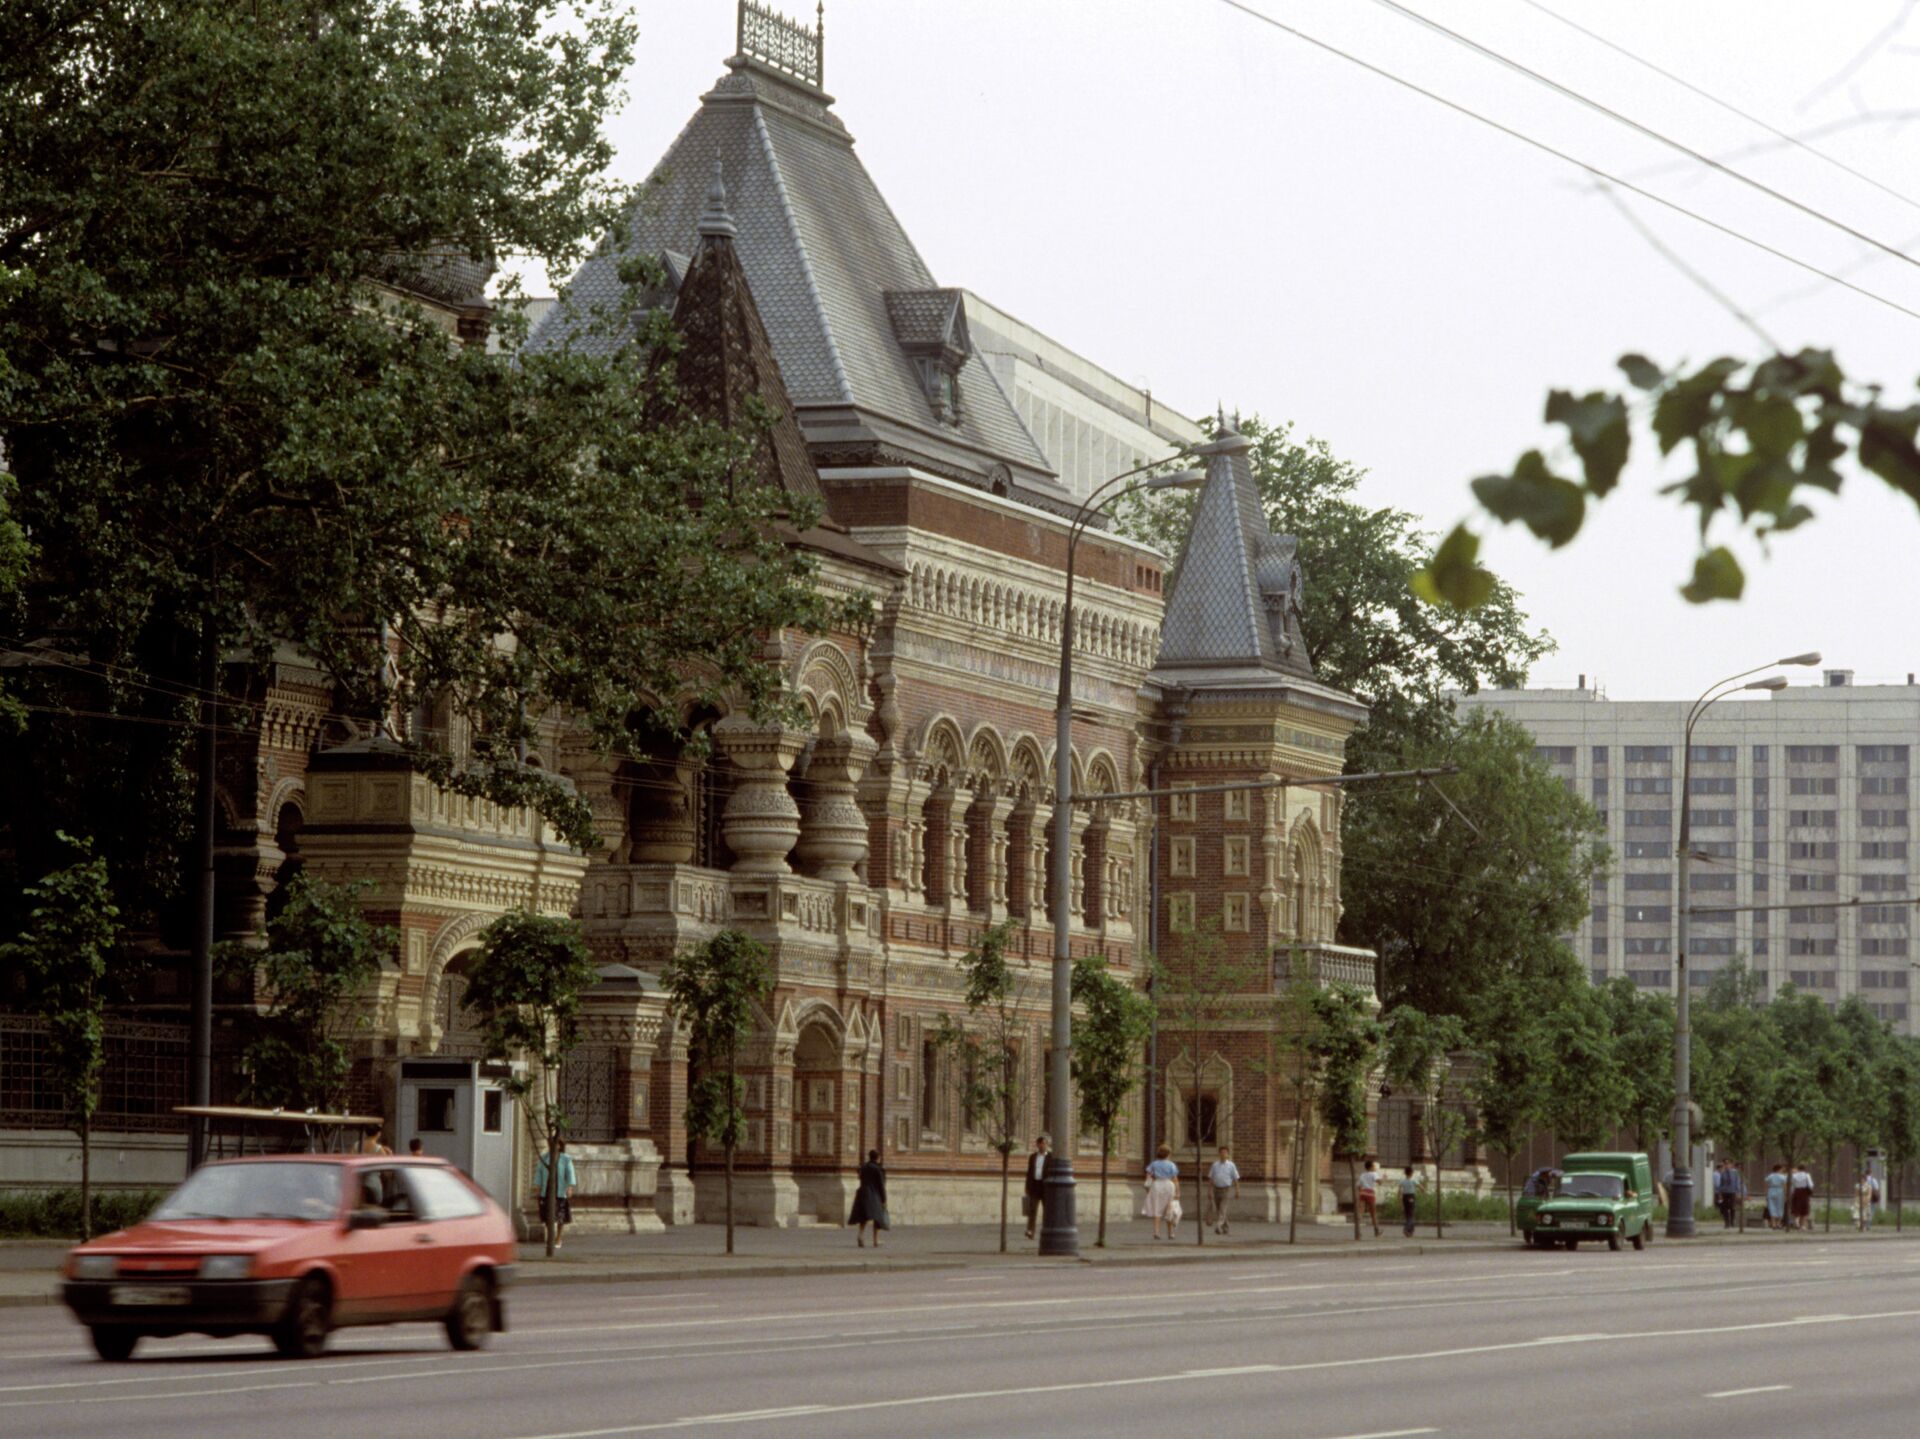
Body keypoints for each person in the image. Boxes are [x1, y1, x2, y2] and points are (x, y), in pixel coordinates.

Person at [534, 1139, 577, 1250]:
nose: (552, 1146)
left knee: (560, 1215)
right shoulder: (544, 1158)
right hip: (547, 1189)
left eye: (555, 1144)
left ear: (559, 1146)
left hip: (560, 1190)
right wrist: (537, 1186)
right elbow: (539, 1172)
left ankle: (558, 1237)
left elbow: (570, 1173)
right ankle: (550, 1237)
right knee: (548, 1215)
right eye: (550, 1144)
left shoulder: (566, 1159)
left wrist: (570, 1187)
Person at [849, 1149, 889, 1248]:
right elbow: (881, 1185)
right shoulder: (877, 1169)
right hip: (874, 1194)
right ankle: (875, 1240)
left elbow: (859, 1176)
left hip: (862, 1193)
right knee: (877, 1217)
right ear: (878, 1158)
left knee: (864, 1216)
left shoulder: (864, 1167)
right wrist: (884, 1199)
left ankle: (860, 1235)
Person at [1144, 1144, 1180, 1240]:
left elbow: (1148, 1175)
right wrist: (1178, 1192)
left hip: (1157, 1185)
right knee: (1169, 1209)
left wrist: (1147, 1187)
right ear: (1168, 1154)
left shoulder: (1154, 1164)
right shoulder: (1171, 1165)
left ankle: (1156, 1232)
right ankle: (1171, 1233)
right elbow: (1175, 1179)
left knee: (1157, 1208)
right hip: (1169, 1185)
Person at [1023, 1134, 1051, 1241]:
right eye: (1041, 1144)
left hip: (1045, 1187)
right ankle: (1030, 1231)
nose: (1043, 1146)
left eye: (1045, 1144)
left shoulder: (1050, 1157)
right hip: (1034, 1186)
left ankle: (1046, 1231)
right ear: (1037, 1145)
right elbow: (1029, 1172)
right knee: (1032, 1210)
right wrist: (1027, 1186)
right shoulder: (1033, 1157)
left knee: (1046, 1210)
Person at [1208, 1146, 1240, 1235]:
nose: (1223, 1154)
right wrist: (1210, 1190)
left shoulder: (1231, 1165)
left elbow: (1235, 1178)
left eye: (1225, 1153)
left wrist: (1237, 1190)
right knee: (1219, 1209)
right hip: (1216, 1188)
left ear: (1228, 1154)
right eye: (1221, 1152)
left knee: (1222, 1208)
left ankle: (1218, 1226)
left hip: (1226, 1189)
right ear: (1219, 1154)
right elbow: (1211, 1178)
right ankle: (1226, 1226)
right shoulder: (1215, 1165)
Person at [1357, 1157, 1382, 1237]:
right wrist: (1382, 1178)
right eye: (1374, 1166)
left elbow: (1358, 1185)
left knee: (1360, 1212)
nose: (1374, 1167)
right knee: (1373, 1213)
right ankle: (1376, 1231)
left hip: (1362, 1193)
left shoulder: (1362, 1175)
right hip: (1370, 1193)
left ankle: (1358, 1231)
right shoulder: (1374, 1174)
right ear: (1371, 1167)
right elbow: (1379, 1182)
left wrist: (1361, 1191)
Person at [1398, 1165, 1422, 1237]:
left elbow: (1399, 1191)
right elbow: (1421, 1187)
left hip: (1404, 1197)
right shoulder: (1413, 1180)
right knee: (1411, 1214)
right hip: (1411, 1197)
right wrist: (1424, 1191)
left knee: (1407, 1214)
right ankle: (1406, 1228)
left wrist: (1399, 1199)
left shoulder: (1402, 1181)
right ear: (1411, 1172)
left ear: (1405, 1173)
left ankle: (1410, 1231)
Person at [1790, 1161, 1815, 1232]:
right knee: (1804, 1209)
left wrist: (1792, 1193)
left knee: (1796, 1207)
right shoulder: (1807, 1175)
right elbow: (1810, 1185)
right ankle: (1802, 1225)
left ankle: (1796, 1222)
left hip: (1796, 1192)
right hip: (1804, 1192)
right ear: (1804, 1168)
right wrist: (1810, 1191)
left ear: (1798, 1168)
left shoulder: (1794, 1175)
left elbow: (1792, 1185)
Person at [1855, 1168, 1880, 1232]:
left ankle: (1861, 1225)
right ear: (1871, 1173)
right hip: (1871, 1198)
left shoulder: (1863, 1179)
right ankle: (1868, 1226)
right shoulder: (1873, 1180)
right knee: (1870, 1212)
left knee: (1863, 1212)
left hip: (1862, 1199)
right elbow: (1876, 1188)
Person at [1764, 1163, 1788, 1230]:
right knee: (1780, 1207)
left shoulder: (1770, 1176)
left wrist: (1766, 1194)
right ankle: (1778, 1223)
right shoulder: (1782, 1177)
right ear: (1779, 1169)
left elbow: (1766, 1185)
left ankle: (1773, 1223)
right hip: (1780, 1191)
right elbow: (1785, 1186)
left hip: (1771, 1190)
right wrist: (1786, 1194)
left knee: (1771, 1207)